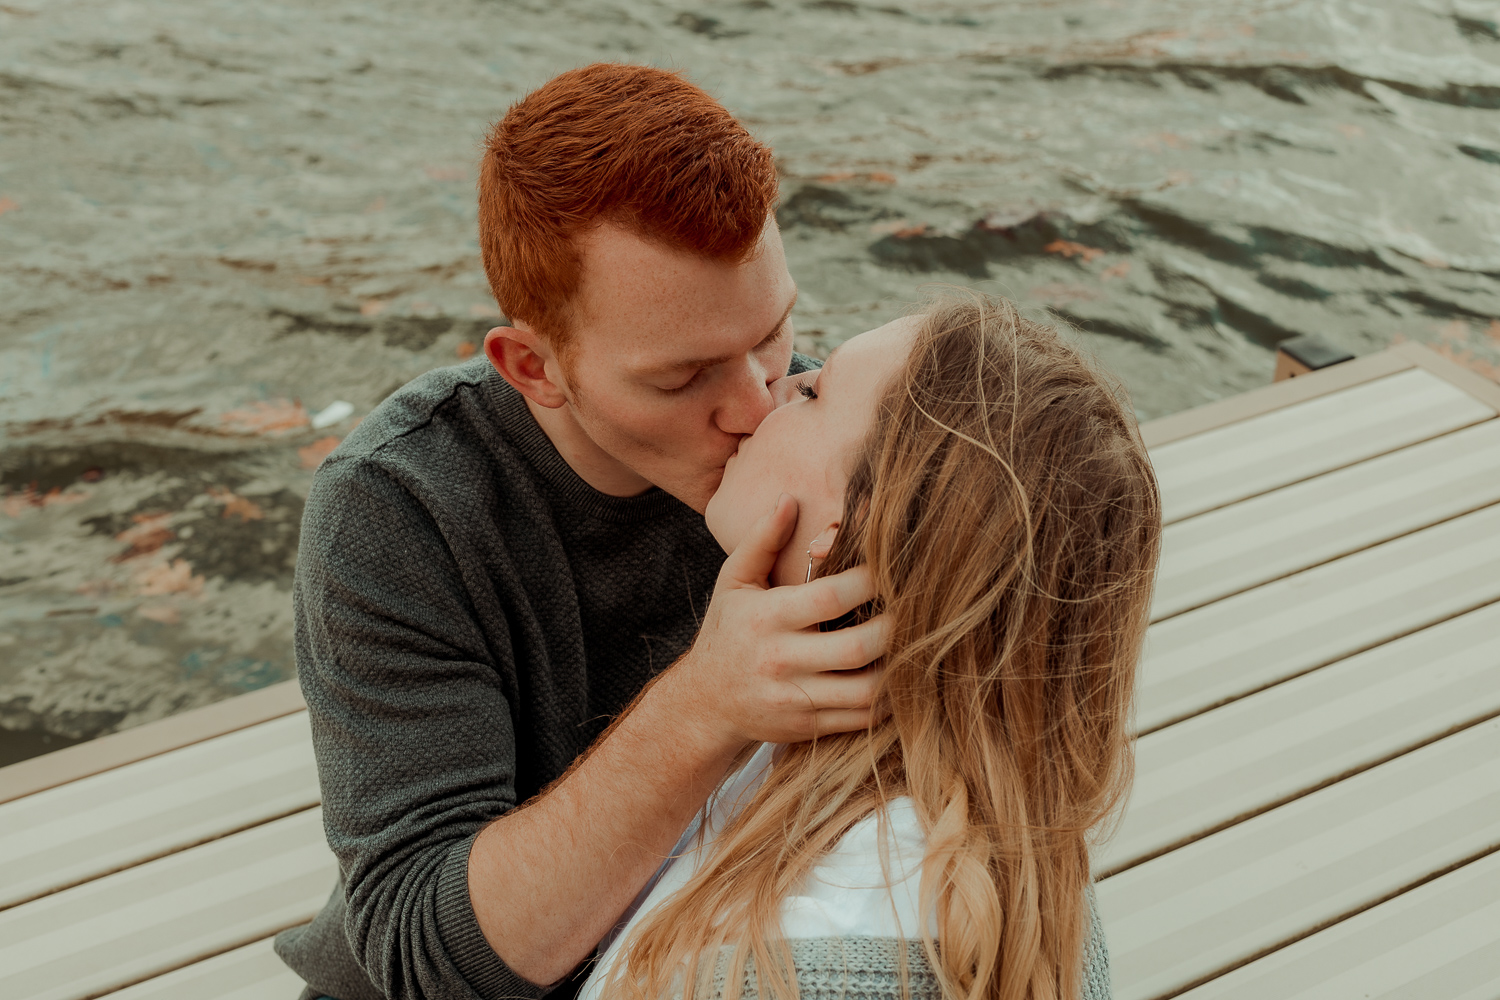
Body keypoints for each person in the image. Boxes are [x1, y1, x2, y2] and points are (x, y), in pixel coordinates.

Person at [275, 65, 888, 1000]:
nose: (757, 404)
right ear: (533, 366)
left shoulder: (812, 420)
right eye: (682, 380)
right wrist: (709, 705)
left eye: (773, 333)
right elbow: (419, 955)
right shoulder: (400, 509)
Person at [582, 294, 1162, 1000]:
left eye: (816, 391)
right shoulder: (1018, 847)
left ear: (850, 535)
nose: (779, 385)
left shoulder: (753, 976)